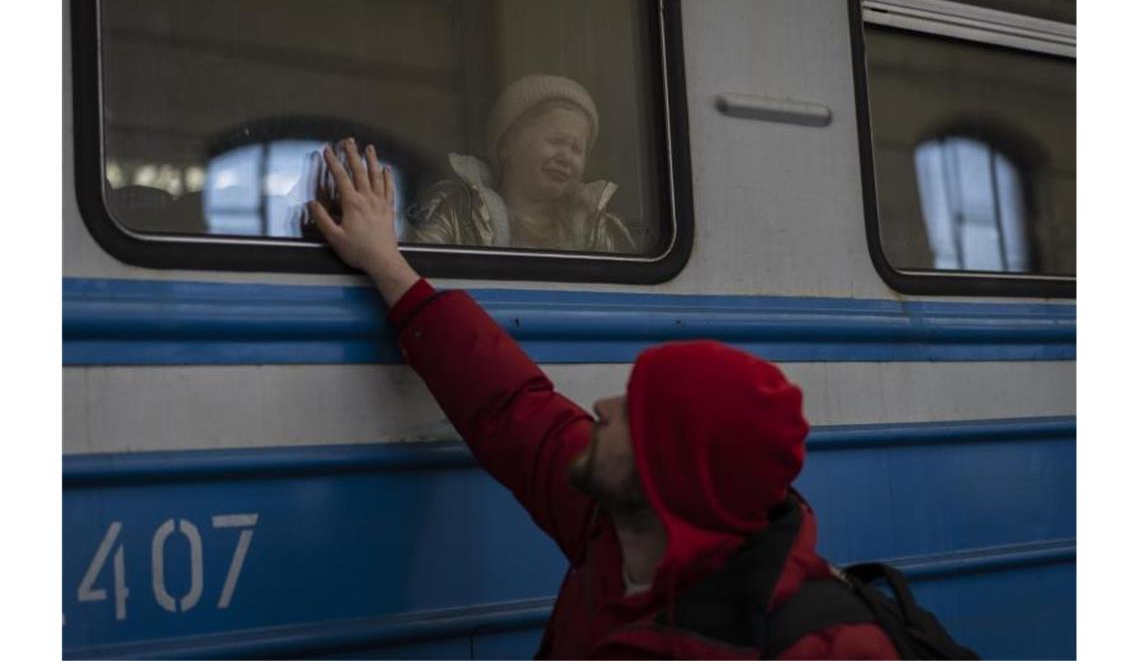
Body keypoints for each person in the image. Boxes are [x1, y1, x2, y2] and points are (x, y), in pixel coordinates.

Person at [308, 139, 898, 659]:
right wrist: (385, 261)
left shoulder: (824, 646)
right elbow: (508, 402)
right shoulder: (616, 528)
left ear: (672, 470)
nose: (602, 409)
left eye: (635, 413)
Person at [405, 74, 637, 252]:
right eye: (556, 141)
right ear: (507, 145)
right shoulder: (457, 212)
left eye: (578, 149)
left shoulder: (598, 228)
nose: (566, 157)